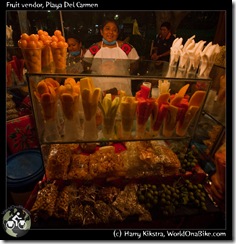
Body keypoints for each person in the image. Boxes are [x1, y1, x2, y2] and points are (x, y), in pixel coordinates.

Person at [83, 18, 139, 95]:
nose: (110, 32)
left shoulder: (126, 47)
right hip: (99, 87)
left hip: (122, 88)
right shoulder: (95, 48)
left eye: (114, 30)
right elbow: (86, 64)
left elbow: (135, 63)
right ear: (101, 32)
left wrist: (124, 72)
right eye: (107, 29)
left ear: (117, 33)